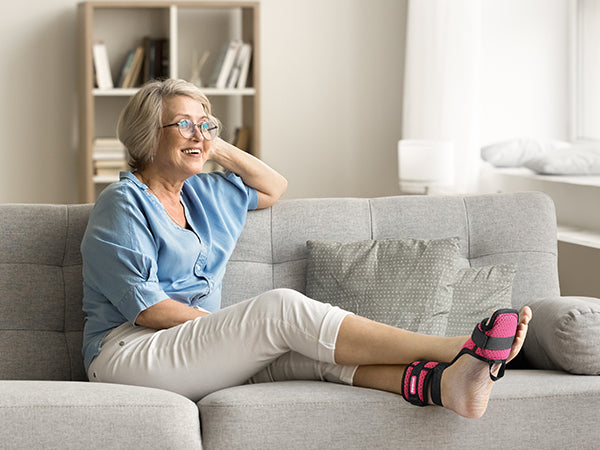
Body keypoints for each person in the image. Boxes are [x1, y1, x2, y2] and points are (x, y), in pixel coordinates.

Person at [81, 78, 532, 419]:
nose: (199, 134)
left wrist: (213, 145)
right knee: (279, 310)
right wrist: (230, 328)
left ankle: (448, 387)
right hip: (130, 353)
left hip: (190, 350)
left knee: (309, 355)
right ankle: (456, 347)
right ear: (147, 134)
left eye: (206, 124)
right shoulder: (122, 203)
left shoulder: (205, 192)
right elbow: (150, 311)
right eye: (184, 124)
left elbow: (274, 186)